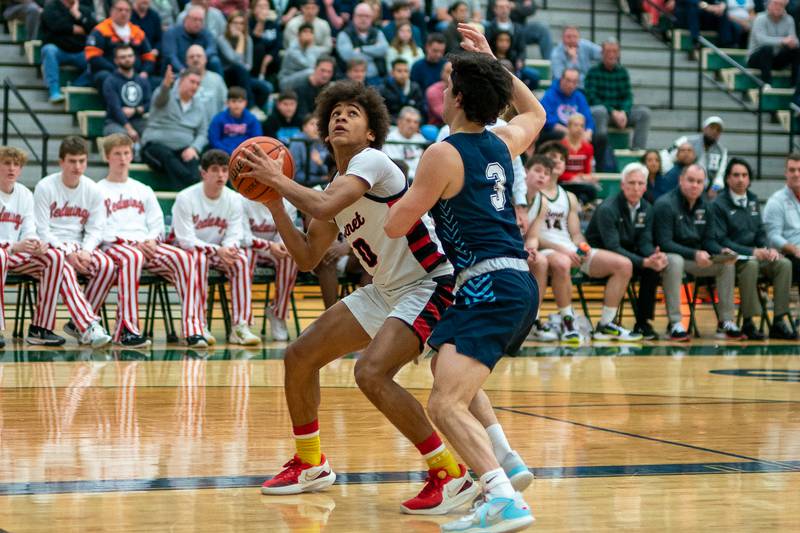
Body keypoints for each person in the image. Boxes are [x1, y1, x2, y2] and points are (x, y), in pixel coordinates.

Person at [240, 79, 532, 514]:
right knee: (299, 356)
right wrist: (273, 202)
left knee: (372, 373)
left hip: (430, 281)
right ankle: (310, 462)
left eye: (352, 113)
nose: (340, 116)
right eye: (334, 112)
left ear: (372, 131)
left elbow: (320, 206)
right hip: (384, 290)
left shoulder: (372, 162)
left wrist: (274, 180)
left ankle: (448, 473)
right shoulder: (336, 185)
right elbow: (305, 256)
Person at [384, 25, 539, 531]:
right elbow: (536, 113)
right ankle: (505, 458)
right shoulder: (501, 142)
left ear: (456, 97)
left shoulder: (442, 153)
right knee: (446, 372)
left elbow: (395, 223)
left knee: (444, 403)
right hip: (511, 281)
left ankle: (502, 498)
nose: (442, 91)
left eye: (448, 84)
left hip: (487, 282)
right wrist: (494, 62)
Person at [96, 134, 209, 347]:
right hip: (115, 248)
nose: (122, 158)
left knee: (185, 259)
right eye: (117, 154)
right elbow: (100, 228)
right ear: (107, 157)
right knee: (133, 257)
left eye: (126, 153)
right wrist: (135, 245)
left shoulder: (142, 189)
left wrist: (151, 240)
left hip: (147, 246)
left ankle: (194, 329)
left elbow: (156, 222)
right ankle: (126, 330)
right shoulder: (97, 190)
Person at [531, 140, 641, 343]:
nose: (557, 161)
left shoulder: (569, 197)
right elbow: (532, 235)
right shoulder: (534, 193)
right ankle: (567, 321)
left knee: (623, 265)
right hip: (547, 250)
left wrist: (583, 247)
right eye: (552, 157)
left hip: (569, 250)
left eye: (561, 158)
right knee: (562, 262)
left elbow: (575, 233)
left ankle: (605, 325)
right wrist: (563, 250)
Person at [0, 146, 103, 348]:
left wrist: (35, 244)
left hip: (16, 254)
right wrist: (14, 246)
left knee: (54, 257)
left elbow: (30, 229)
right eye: (6, 164)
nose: (12, 169)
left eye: (16, 164)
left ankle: (40, 328)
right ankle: (87, 322)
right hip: (5, 253)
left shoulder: (24, 194)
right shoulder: (44, 187)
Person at [170, 149, 261, 346]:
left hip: (219, 252)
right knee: (199, 260)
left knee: (241, 260)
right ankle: (199, 324)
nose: (220, 175)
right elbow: (185, 240)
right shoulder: (185, 198)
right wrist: (217, 250)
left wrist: (228, 249)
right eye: (214, 170)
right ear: (203, 173)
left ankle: (240, 327)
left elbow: (234, 233)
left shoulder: (234, 199)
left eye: (224, 170)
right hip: (188, 253)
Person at [32, 136, 115, 348]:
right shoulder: (45, 187)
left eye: (81, 161)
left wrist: (86, 251)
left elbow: (96, 228)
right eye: (72, 161)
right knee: (63, 265)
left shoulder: (93, 189)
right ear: (61, 162)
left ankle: (77, 324)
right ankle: (88, 324)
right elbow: (41, 229)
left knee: (107, 265)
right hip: (51, 248)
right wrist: (67, 251)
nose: (77, 167)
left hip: (80, 248)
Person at [653, 164, 743, 341]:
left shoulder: (707, 206)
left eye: (699, 182)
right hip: (667, 258)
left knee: (726, 264)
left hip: (696, 259)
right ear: (681, 180)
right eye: (691, 180)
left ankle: (726, 321)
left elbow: (708, 240)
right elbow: (664, 243)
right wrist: (695, 254)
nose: (695, 185)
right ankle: (676, 323)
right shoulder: (665, 204)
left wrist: (720, 250)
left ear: (704, 185)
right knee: (676, 260)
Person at [709, 157, 795, 340]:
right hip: (733, 259)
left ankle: (779, 320)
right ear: (728, 179)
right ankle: (748, 321)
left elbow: (760, 232)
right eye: (736, 175)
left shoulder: (753, 200)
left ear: (749, 179)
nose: (741, 179)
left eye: (745, 175)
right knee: (752, 266)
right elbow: (722, 239)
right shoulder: (718, 204)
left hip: (756, 255)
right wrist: (752, 252)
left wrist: (767, 248)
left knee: (784, 263)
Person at [585, 163, 669, 340]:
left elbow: (645, 241)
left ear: (645, 187)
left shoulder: (647, 208)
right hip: (600, 257)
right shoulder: (608, 208)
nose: (636, 187)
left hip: (626, 255)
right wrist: (643, 261)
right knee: (634, 264)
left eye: (640, 183)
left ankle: (643, 323)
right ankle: (606, 323)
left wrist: (653, 256)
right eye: (631, 183)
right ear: (623, 185)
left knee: (652, 269)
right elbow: (612, 246)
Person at [141, 66, 209, 191]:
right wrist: (165, 85)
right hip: (155, 147)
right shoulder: (164, 94)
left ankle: (189, 191)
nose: (195, 86)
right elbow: (160, 98)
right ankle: (193, 184)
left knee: (192, 161)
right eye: (192, 82)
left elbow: (202, 133)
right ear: (181, 80)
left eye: (198, 83)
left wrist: (194, 148)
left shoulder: (200, 105)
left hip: (183, 150)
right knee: (167, 157)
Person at [242, 198, 300, 341]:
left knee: (290, 256)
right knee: (244, 257)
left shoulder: (288, 203)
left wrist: (280, 245)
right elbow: (242, 237)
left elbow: (286, 234)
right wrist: (268, 245)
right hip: (248, 249)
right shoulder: (241, 201)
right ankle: (243, 320)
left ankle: (277, 313)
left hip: (273, 250)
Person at [586, 39, 651, 152]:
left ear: (619, 53)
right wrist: (613, 112)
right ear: (602, 53)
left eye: (614, 51)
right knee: (599, 111)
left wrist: (624, 112)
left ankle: (638, 151)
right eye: (608, 51)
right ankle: (602, 152)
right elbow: (592, 98)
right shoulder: (593, 72)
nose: (611, 55)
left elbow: (628, 96)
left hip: (621, 114)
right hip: (604, 114)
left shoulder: (622, 72)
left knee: (644, 114)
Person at [540, 68, 609, 173]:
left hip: (578, 130)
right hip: (559, 131)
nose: (571, 84)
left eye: (574, 82)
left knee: (601, 138)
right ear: (561, 79)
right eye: (568, 80)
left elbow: (589, 120)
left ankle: (600, 173)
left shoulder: (579, 96)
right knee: (558, 135)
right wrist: (571, 132)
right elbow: (547, 120)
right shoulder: (550, 95)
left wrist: (588, 132)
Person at [523, 154, 560, 342]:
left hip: (518, 247)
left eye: (546, 173)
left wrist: (531, 249)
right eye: (537, 170)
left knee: (540, 260)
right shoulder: (511, 194)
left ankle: (533, 319)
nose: (542, 176)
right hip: (499, 245)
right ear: (525, 171)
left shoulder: (542, 202)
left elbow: (533, 236)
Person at [85, 0, 157, 93]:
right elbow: (93, 57)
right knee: (105, 78)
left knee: (158, 82)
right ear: (111, 11)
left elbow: (149, 57)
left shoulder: (137, 32)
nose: (124, 13)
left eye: (127, 10)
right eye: (120, 10)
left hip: (135, 74)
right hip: (110, 73)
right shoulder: (101, 30)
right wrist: (116, 70)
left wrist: (145, 72)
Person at [764, 153, 800, 333]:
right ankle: (780, 319)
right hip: (786, 256)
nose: (796, 174)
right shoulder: (776, 201)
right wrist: (794, 249)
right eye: (792, 170)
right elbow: (772, 236)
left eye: (799, 170)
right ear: (785, 173)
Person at [39, 0, 97, 103]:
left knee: (98, 60)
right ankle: (54, 91)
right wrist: (73, 28)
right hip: (58, 50)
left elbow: (94, 29)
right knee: (49, 50)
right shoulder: (51, 6)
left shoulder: (83, 9)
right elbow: (55, 25)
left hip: (79, 51)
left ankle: (74, 87)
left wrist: (78, 15)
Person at [217, 10, 273, 114]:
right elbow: (234, 60)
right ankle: (251, 107)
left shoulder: (248, 40)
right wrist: (241, 40)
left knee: (265, 88)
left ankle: (250, 112)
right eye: (235, 23)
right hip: (227, 76)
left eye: (241, 23)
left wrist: (243, 39)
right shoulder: (222, 39)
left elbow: (249, 65)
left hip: (243, 77)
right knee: (239, 68)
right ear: (229, 25)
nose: (238, 26)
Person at [102, 43, 152, 142]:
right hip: (115, 123)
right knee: (123, 138)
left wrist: (135, 110)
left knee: (153, 135)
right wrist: (129, 129)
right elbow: (115, 109)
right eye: (123, 57)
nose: (127, 59)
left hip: (138, 120)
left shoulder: (142, 80)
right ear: (116, 61)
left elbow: (149, 103)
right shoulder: (110, 81)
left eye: (130, 56)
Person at [668, 116, 728, 194]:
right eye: (712, 128)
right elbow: (668, 157)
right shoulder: (686, 140)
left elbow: (720, 175)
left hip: (707, 189)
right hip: (681, 184)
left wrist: (715, 188)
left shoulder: (721, 151)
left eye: (718, 130)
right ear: (704, 128)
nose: (714, 131)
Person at [747, 0, 800, 86]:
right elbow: (761, 40)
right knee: (767, 49)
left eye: (781, 5)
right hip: (757, 58)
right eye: (775, 3)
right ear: (768, 5)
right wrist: (783, 41)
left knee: (796, 50)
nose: (778, 7)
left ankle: (794, 85)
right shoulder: (760, 18)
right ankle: (766, 84)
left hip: (775, 59)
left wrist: (793, 42)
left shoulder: (789, 19)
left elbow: (794, 40)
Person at [336, 2, 389, 84]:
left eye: (367, 16)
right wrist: (374, 53)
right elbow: (348, 56)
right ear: (354, 17)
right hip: (351, 81)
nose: (363, 19)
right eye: (360, 15)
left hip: (377, 80)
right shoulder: (344, 34)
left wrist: (361, 49)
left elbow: (384, 49)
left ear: (372, 18)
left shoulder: (377, 33)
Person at [162, 5, 223, 75]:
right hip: (177, 71)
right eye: (195, 19)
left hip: (200, 69)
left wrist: (199, 57)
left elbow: (212, 48)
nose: (198, 23)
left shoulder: (205, 32)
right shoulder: (172, 33)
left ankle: (219, 84)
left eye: (201, 20)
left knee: (214, 61)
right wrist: (183, 71)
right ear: (186, 19)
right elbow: (171, 56)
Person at [485, 0, 552, 60]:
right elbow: (491, 10)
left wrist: (515, 6)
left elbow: (530, 9)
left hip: (518, 30)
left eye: (507, 7)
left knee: (542, 29)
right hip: (496, 30)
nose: (504, 10)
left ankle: (549, 64)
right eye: (501, 7)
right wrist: (520, 6)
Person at [208, 86, 263, 154]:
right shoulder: (218, 119)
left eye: (240, 101)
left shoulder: (252, 120)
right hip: (223, 154)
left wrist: (244, 151)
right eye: (233, 101)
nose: (237, 104)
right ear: (227, 103)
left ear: (245, 103)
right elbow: (214, 140)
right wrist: (230, 152)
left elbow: (256, 140)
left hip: (246, 154)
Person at [278, 22, 326, 91]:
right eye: (305, 32)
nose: (308, 35)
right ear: (298, 35)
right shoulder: (292, 49)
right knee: (311, 72)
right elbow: (309, 65)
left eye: (311, 33)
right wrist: (310, 46)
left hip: (302, 80)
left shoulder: (313, 48)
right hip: (286, 81)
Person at [382, 106, 426, 180]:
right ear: (399, 121)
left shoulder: (420, 139)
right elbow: (395, 167)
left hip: (418, 179)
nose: (412, 125)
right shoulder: (389, 139)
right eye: (408, 121)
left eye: (415, 122)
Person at [185, 44, 228, 119]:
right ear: (187, 61)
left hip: (213, 127)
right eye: (191, 57)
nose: (195, 59)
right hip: (188, 128)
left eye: (199, 56)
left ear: (205, 59)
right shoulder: (180, 81)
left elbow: (226, 104)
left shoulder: (217, 79)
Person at [289, 115, 329, 185]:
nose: (316, 127)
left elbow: (329, 172)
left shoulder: (323, 141)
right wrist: (319, 179)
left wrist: (320, 163)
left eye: (318, 124)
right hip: (301, 185)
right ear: (304, 127)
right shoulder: (297, 142)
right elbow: (295, 174)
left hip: (321, 183)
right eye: (312, 124)